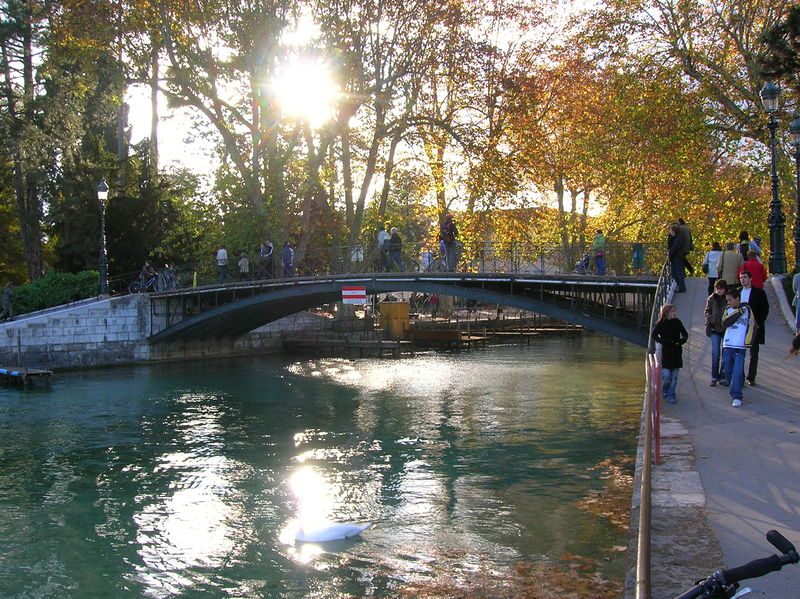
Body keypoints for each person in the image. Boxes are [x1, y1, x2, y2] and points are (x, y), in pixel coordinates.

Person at [721, 287, 756, 407]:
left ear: (737, 299)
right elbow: (725, 323)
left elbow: (752, 325)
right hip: (728, 344)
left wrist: (749, 341)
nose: (728, 302)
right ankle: (736, 384)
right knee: (728, 370)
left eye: (730, 300)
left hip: (740, 346)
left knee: (737, 372)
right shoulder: (728, 310)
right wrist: (738, 312)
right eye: (727, 300)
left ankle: (736, 396)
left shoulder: (747, 310)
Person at [652, 303, 688, 404]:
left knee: (675, 376)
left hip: (676, 351)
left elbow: (685, 334)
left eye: (674, 311)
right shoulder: (661, 323)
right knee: (667, 375)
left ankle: (672, 395)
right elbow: (654, 335)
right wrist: (663, 341)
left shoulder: (677, 322)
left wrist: (681, 341)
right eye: (672, 311)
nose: (674, 313)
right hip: (667, 352)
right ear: (666, 313)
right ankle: (665, 389)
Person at [738, 270, 768, 386]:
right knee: (740, 352)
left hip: (753, 327)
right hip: (740, 327)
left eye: (745, 277)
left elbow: (764, 309)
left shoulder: (759, 293)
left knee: (753, 354)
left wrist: (758, 323)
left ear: (750, 279)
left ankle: (751, 377)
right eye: (741, 277)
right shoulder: (738, 292)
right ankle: (740, 377)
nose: (742, 279)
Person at [704, 279, 729, 386]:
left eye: (721, 289)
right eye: (717, 289)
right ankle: (714, 377)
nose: (719, 291)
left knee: (725, 354)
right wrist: (710, 318)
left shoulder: (728, 298)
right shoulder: (711, 298)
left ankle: (723, 377)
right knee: (715, 353)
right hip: (714, 328)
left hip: (725, 329)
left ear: (725, 289)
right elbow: (707, 310)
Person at [667, 223, 686, 292]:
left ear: (673, 230)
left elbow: (676, 246)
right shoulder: (673, 237)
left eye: (670, 230)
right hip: (673, 257)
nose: (670, 232)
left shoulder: (679, 237)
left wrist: (670, 252)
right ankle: (681, 285)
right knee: (673, 273)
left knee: (679, 272)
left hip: (678, 256)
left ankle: (682, 287)